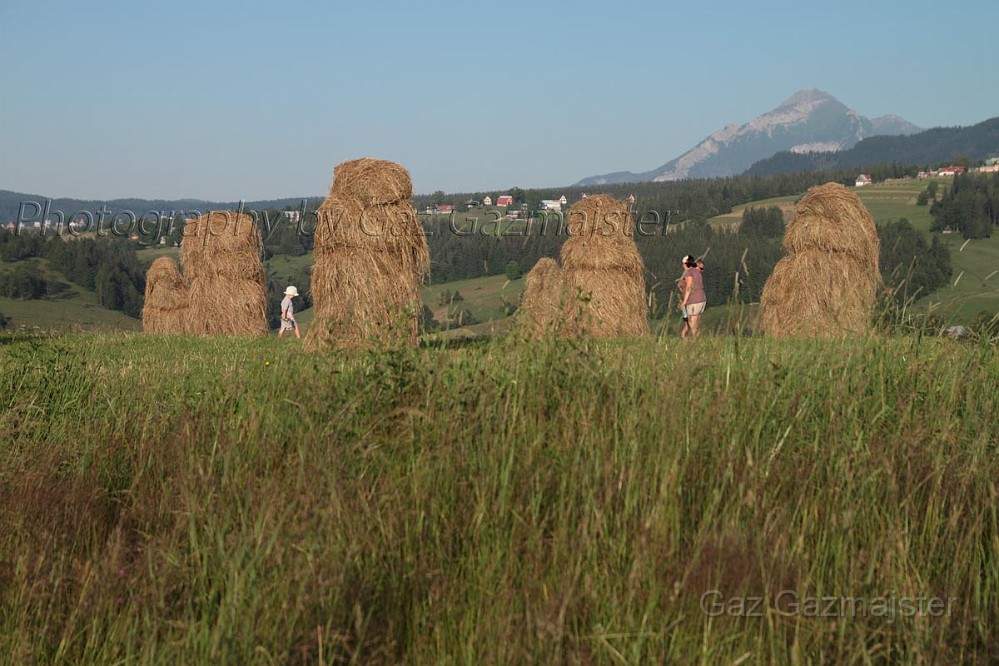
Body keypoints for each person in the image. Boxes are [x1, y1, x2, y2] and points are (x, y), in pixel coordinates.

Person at [679, 255, 706, 338]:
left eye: (683, 264)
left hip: (694, 300)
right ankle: (689, 339)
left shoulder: (689, 272)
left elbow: (689, 288)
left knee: (692, 323)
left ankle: (696, 342)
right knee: (695, 321)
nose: (682, 265)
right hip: (702, 299)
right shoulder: (697, 271)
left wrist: (684, 302)